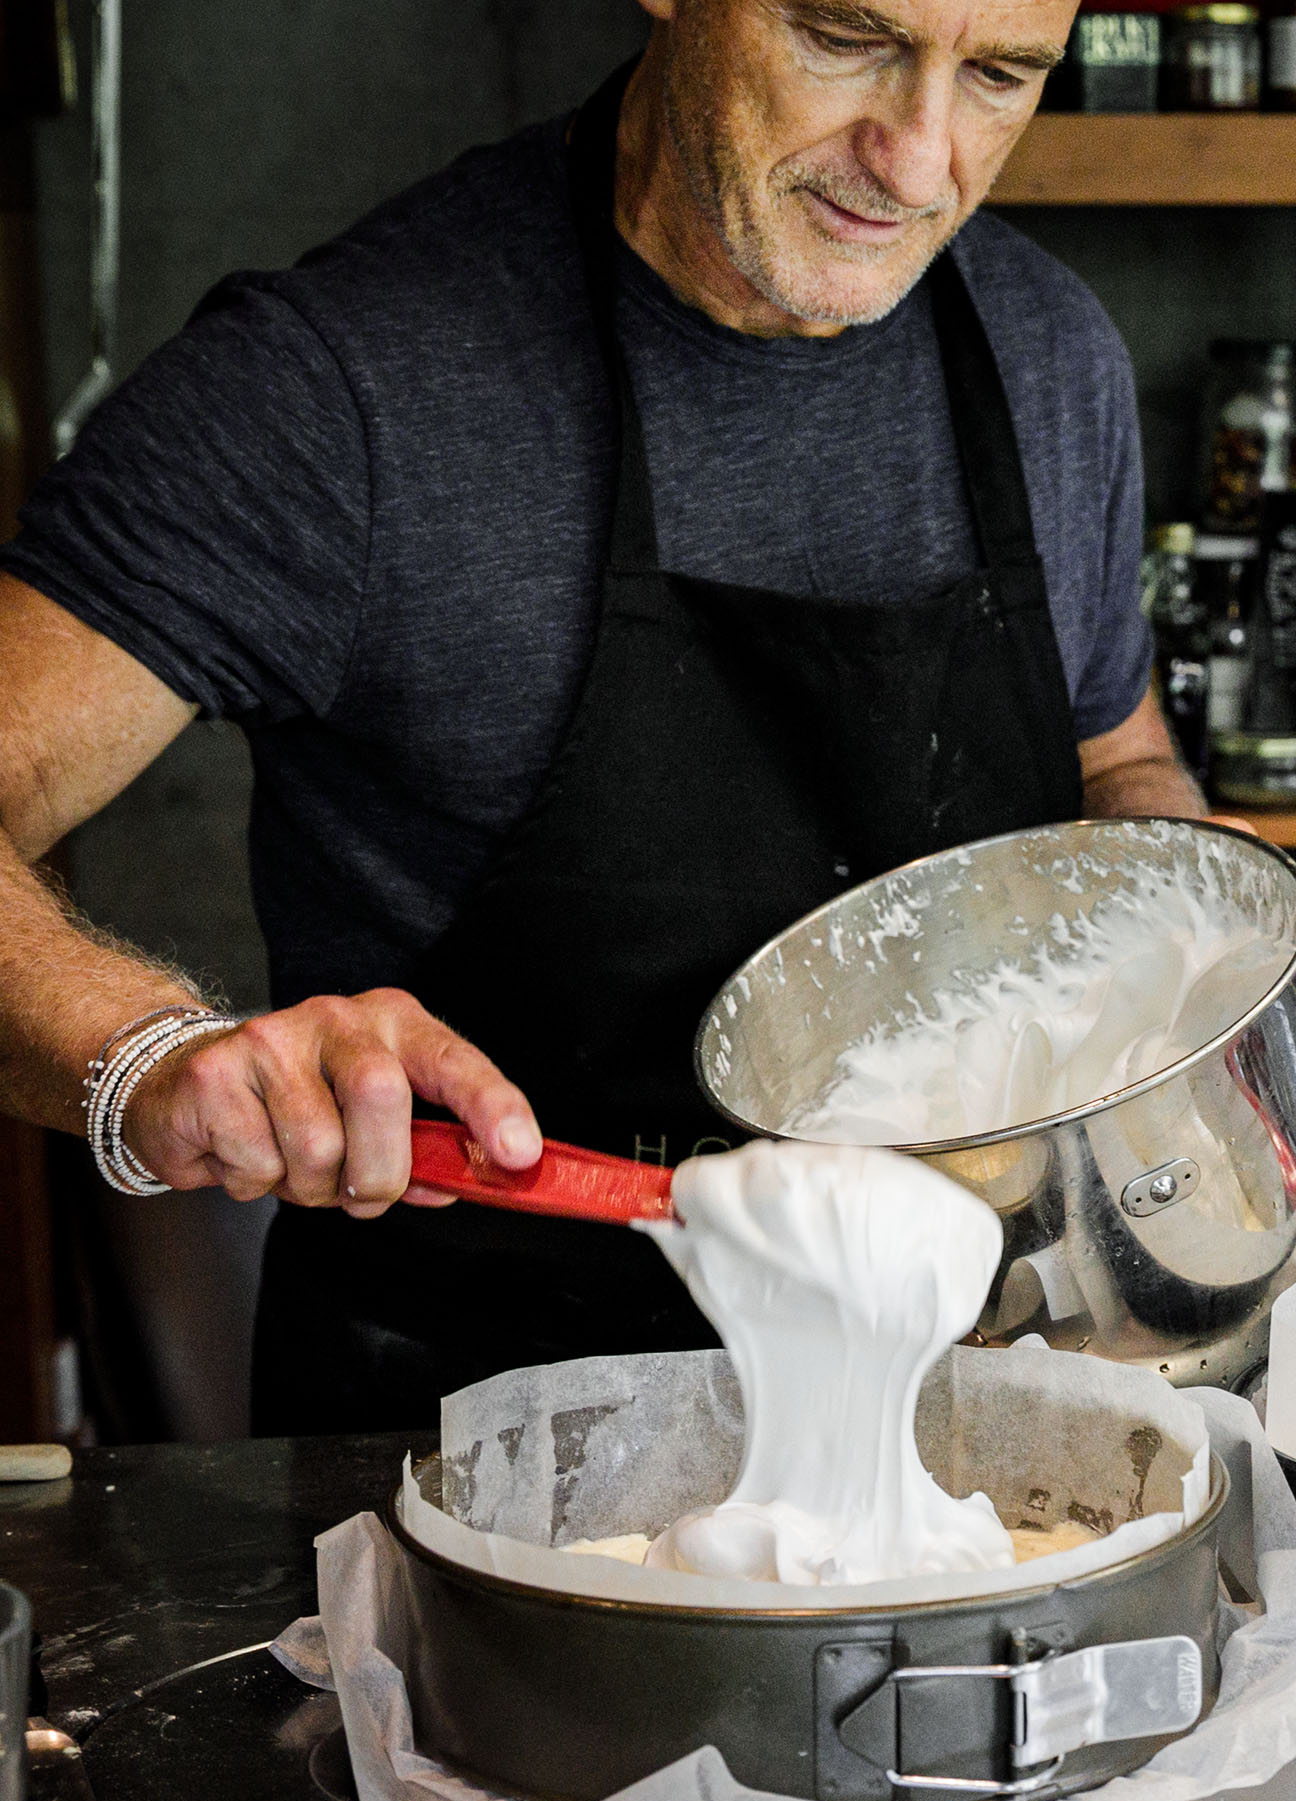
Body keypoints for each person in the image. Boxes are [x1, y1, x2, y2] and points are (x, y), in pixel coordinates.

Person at [0, 0, 1206, 1434]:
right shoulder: (340, 391)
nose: (916, 156)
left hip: (968, 1436)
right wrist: (150, 1053)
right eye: (842, 39)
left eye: (1001, 76)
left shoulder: (1048, 360)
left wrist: (1188, 954)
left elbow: (1119, 754)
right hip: (461, 1478)